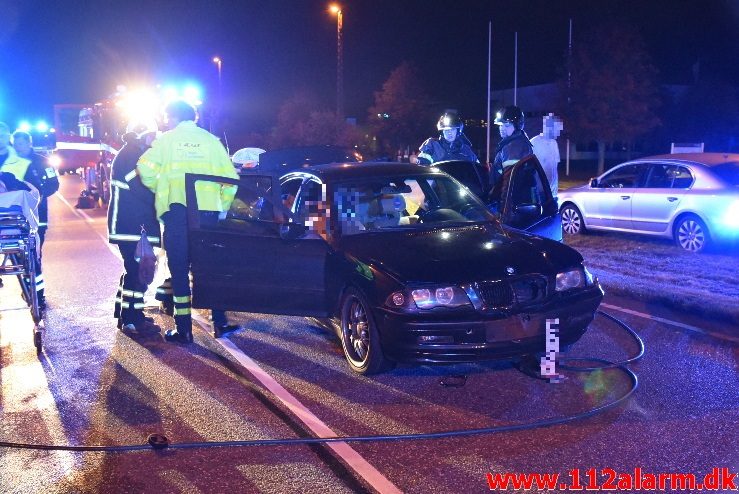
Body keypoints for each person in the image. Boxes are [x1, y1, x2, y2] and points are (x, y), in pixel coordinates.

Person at [137, 101, 240, 343]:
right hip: (208, 215)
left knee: (180, 269)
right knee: (209, 267)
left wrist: (161, 188)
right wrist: (222, 207)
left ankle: (184, 329)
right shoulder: (212, 142)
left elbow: (145, 168)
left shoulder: (166, 141)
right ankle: (220, 322)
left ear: (173, 117)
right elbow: (231, 179)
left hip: (177, 212)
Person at [107, 122, 162, 333]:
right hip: (132, 224)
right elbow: (141, 187)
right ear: (143, 134)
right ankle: (132, 319)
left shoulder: (130, 152)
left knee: (132, 270)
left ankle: (128, 315)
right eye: (152, 134)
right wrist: (163, 198)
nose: (154, 139)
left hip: (130, 224)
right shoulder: (132, 155)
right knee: (138, 272)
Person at [0, 122, 46, 304]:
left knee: (30, 258)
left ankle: (36, 296)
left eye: (2, 135)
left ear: (8, 136)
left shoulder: (22, 162)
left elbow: (33, 191)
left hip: (19, 219)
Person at [11, 131, 60, 247]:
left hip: (38, 207)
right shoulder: (9, 163)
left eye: (21, 144)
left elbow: (54, 183)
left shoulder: (43, 162)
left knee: (38, 236)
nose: (17, 147)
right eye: (15, 144)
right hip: (15, 207)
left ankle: (36, 259)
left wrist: (41, 194)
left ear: (29, 143)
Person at [489, 105, 533, 193]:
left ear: (517, 125)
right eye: (501, 125)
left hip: (508, 201)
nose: (502, 128)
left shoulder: (512, 148)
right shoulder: (519, 142)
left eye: (507, 125)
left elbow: (510, 183)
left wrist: (504, 204)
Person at [530, 113, 563, 200]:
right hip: (540, 195)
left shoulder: (554, 143)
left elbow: (554, 167)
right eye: (557, 128)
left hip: (553, 195)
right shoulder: (534, 143)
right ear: (550, 127)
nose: (559, 131)